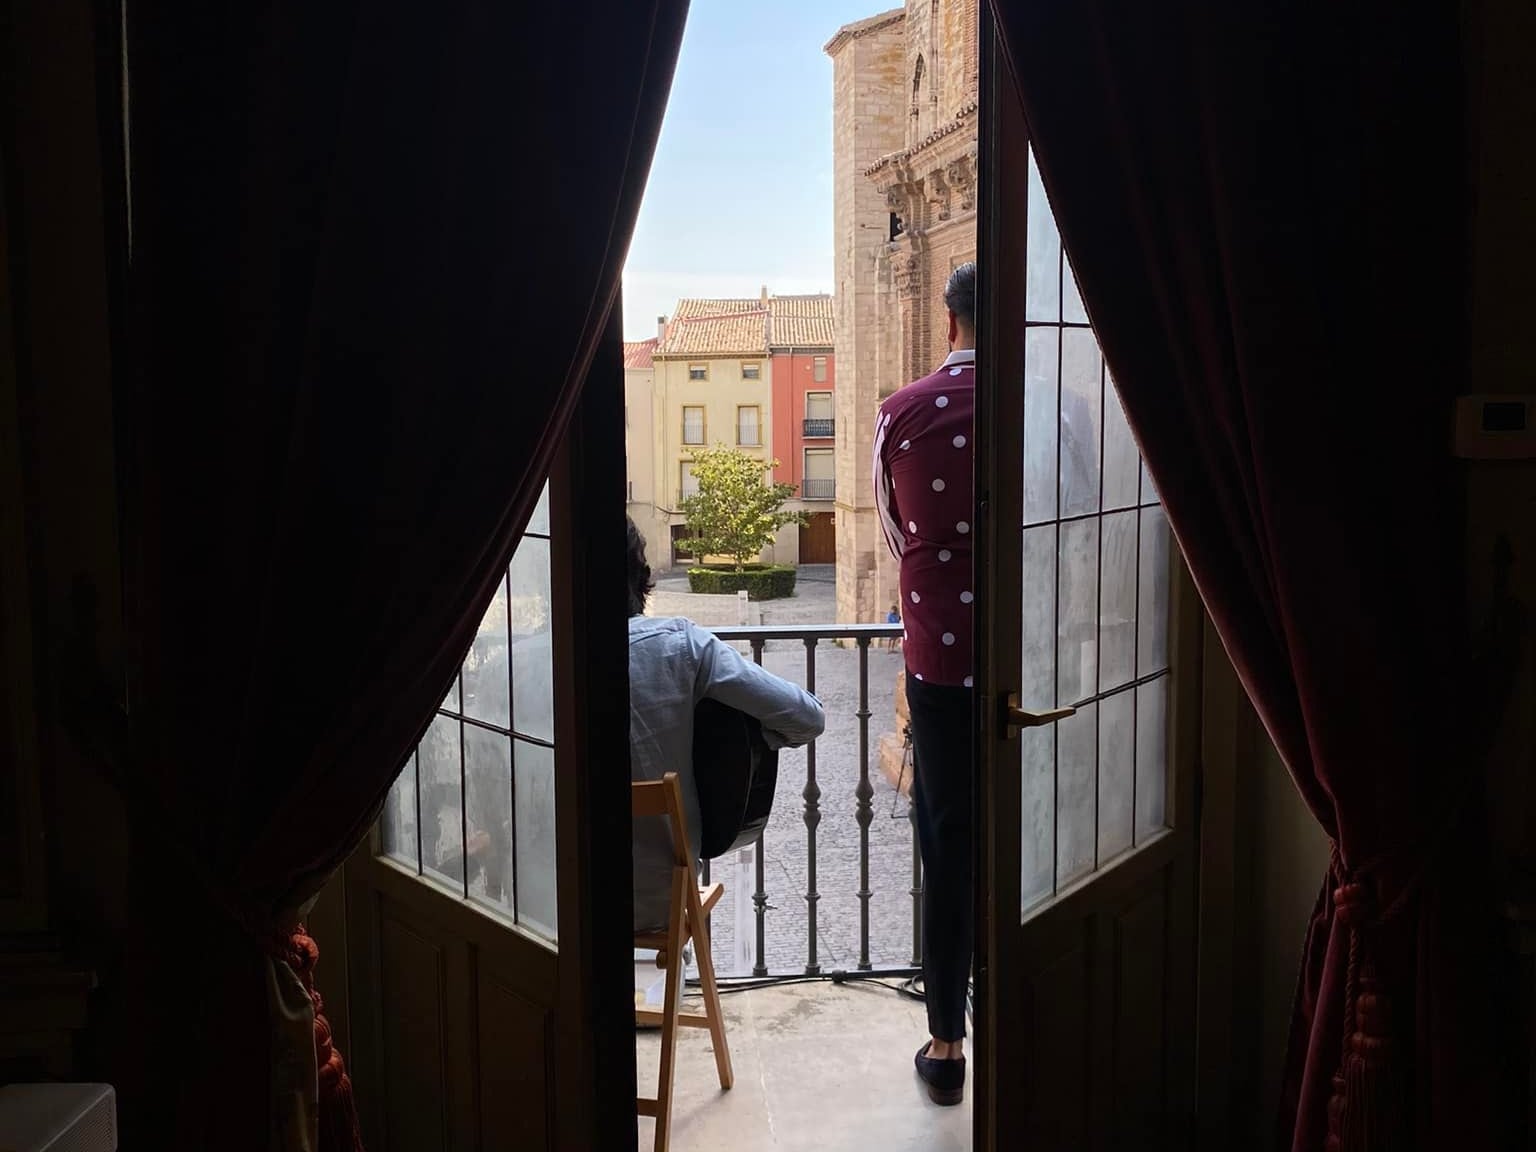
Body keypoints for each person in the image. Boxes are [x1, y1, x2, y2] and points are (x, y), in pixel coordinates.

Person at [872, 260, 976, 1106]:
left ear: (947, 323)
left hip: (939, 659)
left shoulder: (902, 416)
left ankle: (946, 1044)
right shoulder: (1048, 406)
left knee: (946, 842)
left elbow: (896, 532)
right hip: (1031, 658)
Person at [626, 516, 825, 932]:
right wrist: (729, 736)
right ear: (640, 574)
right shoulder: (681, 645)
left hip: (545, 910)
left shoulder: (519, 663)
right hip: (656, 904)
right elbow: (806, 718)